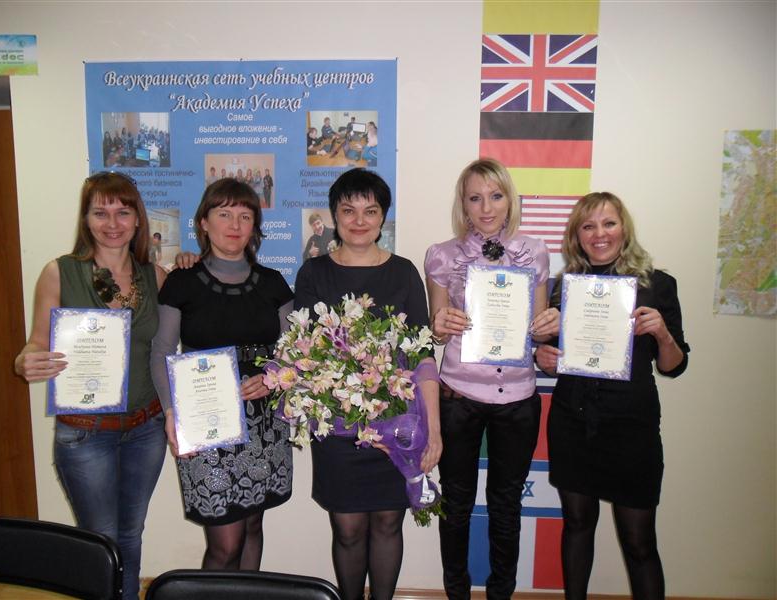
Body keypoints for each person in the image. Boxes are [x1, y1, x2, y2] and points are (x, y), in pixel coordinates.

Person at [14, 172, 168, 600]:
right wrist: (26, 360)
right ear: (85, 219)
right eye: (101, 212)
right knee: (100, 540)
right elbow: (36, 342)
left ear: (138, 219)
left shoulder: (155, 276)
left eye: (123, 212)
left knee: (131, 533)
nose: (112, 223)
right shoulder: (60, 272)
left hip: (146, 428)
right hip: (85, 432)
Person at [294, 168, 442, 600]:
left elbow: (423, 356)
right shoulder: (314, 273)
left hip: (396, 426)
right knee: (348, 528)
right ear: (334, 216)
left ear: (383, 217)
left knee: (389, 523)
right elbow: (306, 354)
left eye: (370, 211)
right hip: (340, 426)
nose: (359, 221)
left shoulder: (403, 272)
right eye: (349, 210)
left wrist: (434, 429)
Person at [534, 192, 689, 600]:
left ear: (624, 228)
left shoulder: (657, 285)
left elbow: (674, 366)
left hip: (631, 428)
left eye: (608, 223)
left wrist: (662, 333)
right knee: (577, 525)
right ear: (577, 236)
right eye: (588, 226)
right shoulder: (564, 288)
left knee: (639, 542)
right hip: (573, 421)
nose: (599, 234)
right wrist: (544, 358)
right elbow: (553, 357)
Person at [424, 158, 559, 600]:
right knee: (456, 504)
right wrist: (440, 323)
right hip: (459, 394)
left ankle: (502, 593)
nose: (486, 208)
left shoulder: (534, 251)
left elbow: (539, 329)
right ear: (463, 205)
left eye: (496, 196)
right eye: (475, 198)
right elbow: (435, 328)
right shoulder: (442, 254)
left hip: (518, 396)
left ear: (509, 200)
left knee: (506, 504)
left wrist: (549, 326)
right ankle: (456, 593)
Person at [150, 177, 294, 571]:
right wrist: (171, 413)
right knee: (225, 544)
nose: (235, 224)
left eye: (245, 216)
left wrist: (274, 376)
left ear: (254, 226)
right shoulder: (182, 282)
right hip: (204, 417)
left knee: (252, 526)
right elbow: (161, 350)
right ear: (204, 222)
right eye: (224, 214)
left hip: (265, 421)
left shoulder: (273, 283)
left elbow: (296, 352)